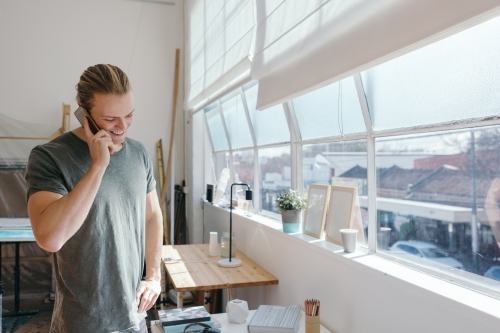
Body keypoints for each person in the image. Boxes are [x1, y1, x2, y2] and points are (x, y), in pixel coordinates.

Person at [25, 64, 163, 333]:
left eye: (130, 115)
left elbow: (153, 216)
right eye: (111, 119)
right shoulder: (49, 157)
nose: (123, 127)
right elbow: (49, 238)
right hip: (81, 323)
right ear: (82, 112)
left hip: (134, 317)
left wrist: (154, 276)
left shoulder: (139, 154)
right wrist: (98, 166)